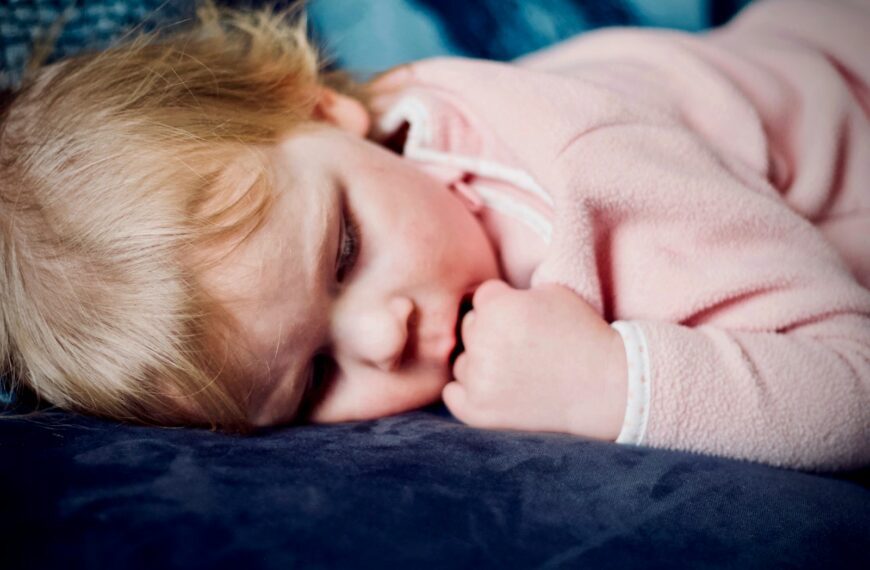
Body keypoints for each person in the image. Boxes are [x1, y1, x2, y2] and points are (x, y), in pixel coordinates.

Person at [1, 0, 867, 470]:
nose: (383, 334)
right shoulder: (363, 158)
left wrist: (611, 383)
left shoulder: (587, 183)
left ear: (325, 109)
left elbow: (854, 390)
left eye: (344, 252)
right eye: (313, 378)